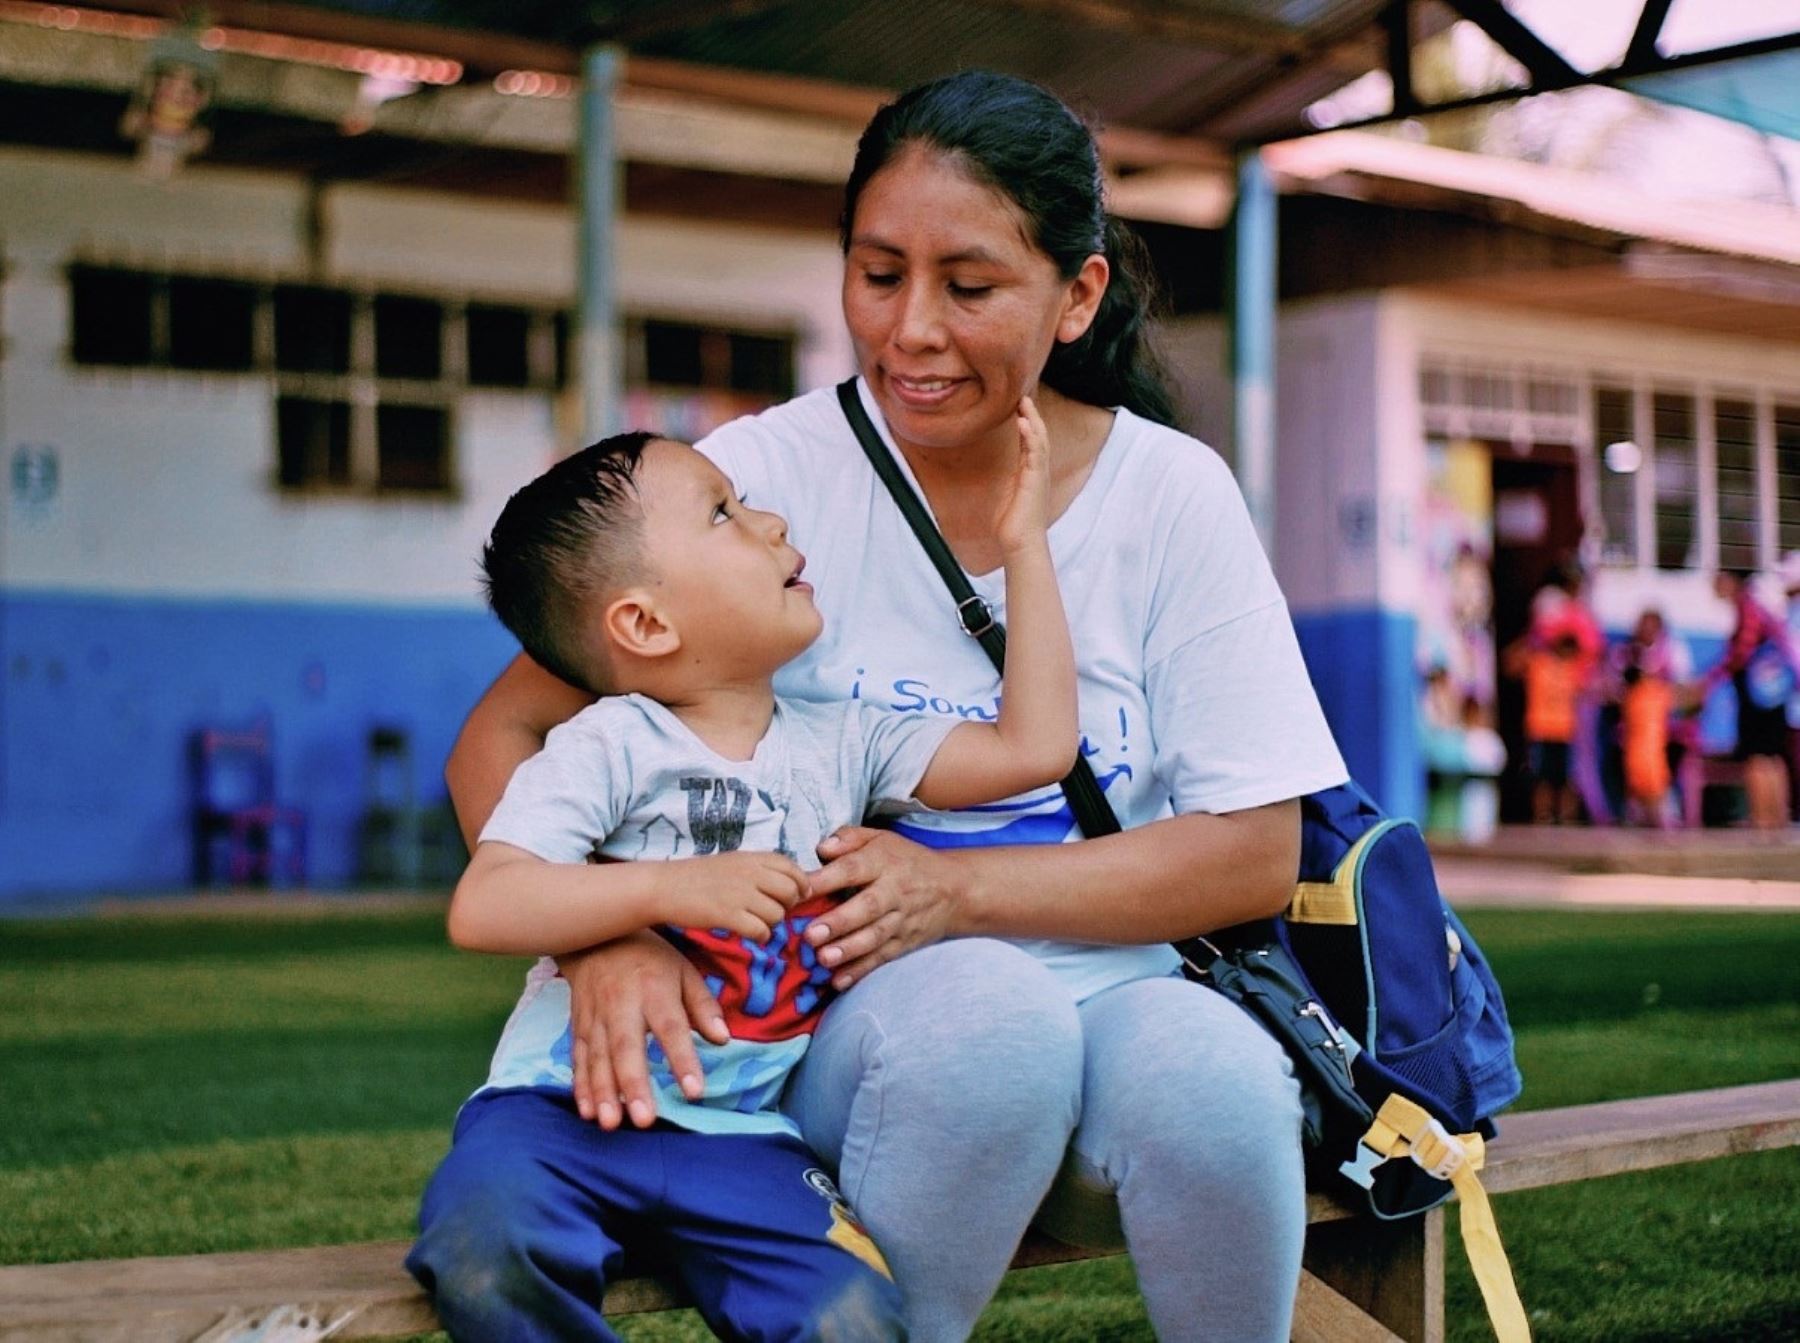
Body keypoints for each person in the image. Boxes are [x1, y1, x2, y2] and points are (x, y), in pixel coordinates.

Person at [442, 70, 1347, 1343]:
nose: (911, 329)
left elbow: (1254, 852)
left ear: (1076, 295)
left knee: (1221, 1086)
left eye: (969, 288)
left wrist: (962, 888)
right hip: (839, 1033)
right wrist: (611, 933)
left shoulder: (1171, 494)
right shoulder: (753, 482)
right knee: (991, 1023)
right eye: (878, 274)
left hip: (1125, 991)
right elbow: (507, 734)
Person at [408, 413, 1077, 1341]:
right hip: (558, 1116)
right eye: (723, 512)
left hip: (744, 1136)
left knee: (850, 1311)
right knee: (484, 1239)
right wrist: (661, 894)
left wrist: (1023, 546)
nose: (770, 524)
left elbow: (1035, 747)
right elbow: (488, 900)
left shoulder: (850, 740)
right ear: (644, 622)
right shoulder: (606, 743)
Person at [1698, 569, 1795, 831]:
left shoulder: (1747, 607)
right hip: (1774, 691)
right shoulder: (1759, 606)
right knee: (1772, 754)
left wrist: (1710, 677)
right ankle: (1777, 819)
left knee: (1756, 755)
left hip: (1758, 695)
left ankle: (1763, 819)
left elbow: (1741, 652)